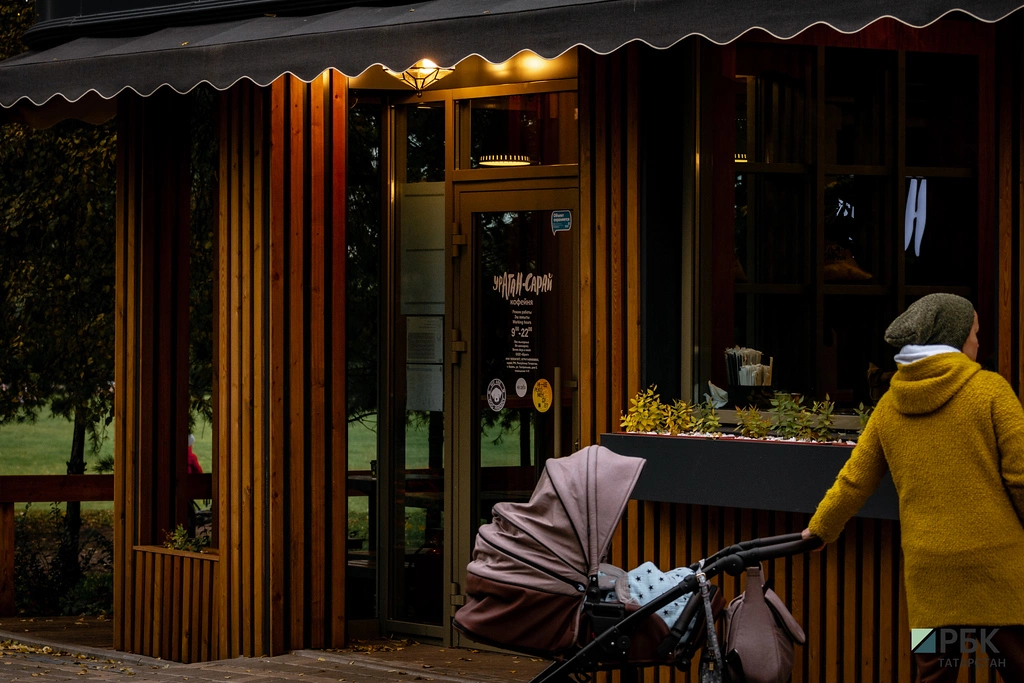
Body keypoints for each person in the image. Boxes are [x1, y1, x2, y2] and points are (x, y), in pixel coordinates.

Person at [801, 293, 1024, 682]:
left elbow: (854, 480)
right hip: (997, 568)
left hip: (929, 573)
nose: (977, 343)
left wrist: (820, 529)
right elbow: (1020, 476)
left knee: (934, 674)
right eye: (974, 333)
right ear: (955, 337)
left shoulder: (890, 405)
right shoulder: (991, 390)